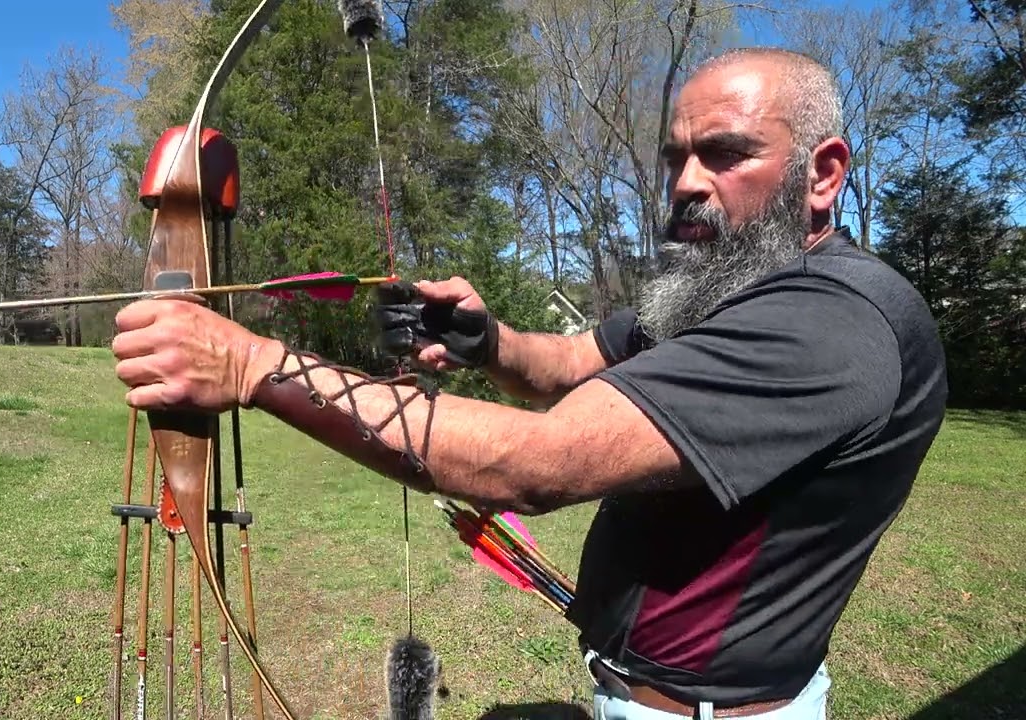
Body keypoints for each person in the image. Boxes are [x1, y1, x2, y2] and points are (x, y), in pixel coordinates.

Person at [111, 47, 947, 719]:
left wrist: (254, 366)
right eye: (677, 158)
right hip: (646, 693)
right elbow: (577, 364)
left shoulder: (828, 324)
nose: (687, 182)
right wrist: (486, 340)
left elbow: (537, 464)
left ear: (824, 172)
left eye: (725, 154)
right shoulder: (730, 285)